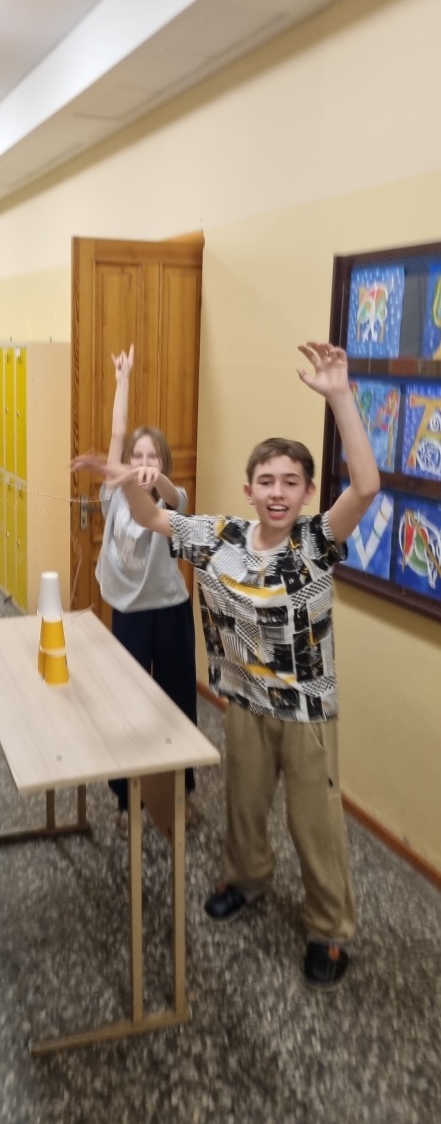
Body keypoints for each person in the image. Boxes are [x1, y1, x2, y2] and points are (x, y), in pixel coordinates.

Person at [74, 341, 380, 990]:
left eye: (290, 482)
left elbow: (366, 486)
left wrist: (339, 398)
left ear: (306, 492)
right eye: (266, 481)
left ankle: (329, 927)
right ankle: (247, 879)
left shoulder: (315, 542)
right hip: (243, 701)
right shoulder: (220, 537)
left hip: (305, 711)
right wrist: (124, 475)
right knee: (243, 807)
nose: (277, 492)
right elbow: (151, 514)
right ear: (248, 490)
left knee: (314, 823)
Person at [96, 345, 199, 835]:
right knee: (127, 707)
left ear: (162, 462)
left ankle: (181, 793)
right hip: (130, 614)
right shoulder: (114, 495)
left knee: (177, 703)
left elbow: (177, 497)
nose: (141, 462)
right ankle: (126, 801)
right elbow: (117, 434)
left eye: (150, 456)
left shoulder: (172, 502)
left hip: (171, 612)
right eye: (136, 456)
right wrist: (123, 380)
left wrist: (161, 480)